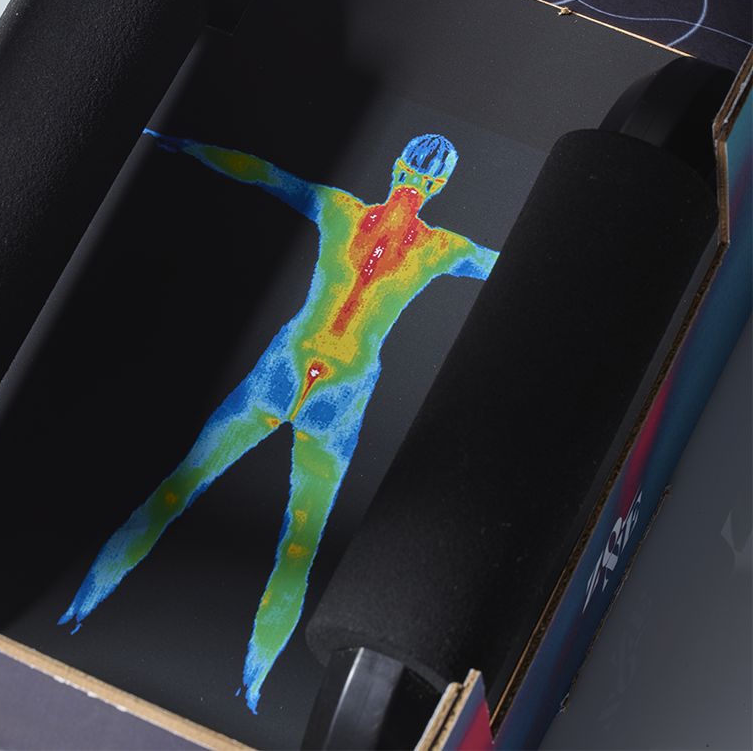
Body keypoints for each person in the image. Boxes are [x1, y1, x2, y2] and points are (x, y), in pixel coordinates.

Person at [59, 130, 499, 712]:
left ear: (408, 172)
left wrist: (185, 146)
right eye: (416, 176)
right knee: (287, 543)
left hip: (299, 373)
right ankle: (247, 682)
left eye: (417, 178)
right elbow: (513, 265)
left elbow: (264, 174)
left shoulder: (351, 212)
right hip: (330, 385)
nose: (411, 187)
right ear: (431, 181)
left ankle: (90, 615)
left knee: (192, 494)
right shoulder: (430, 244)